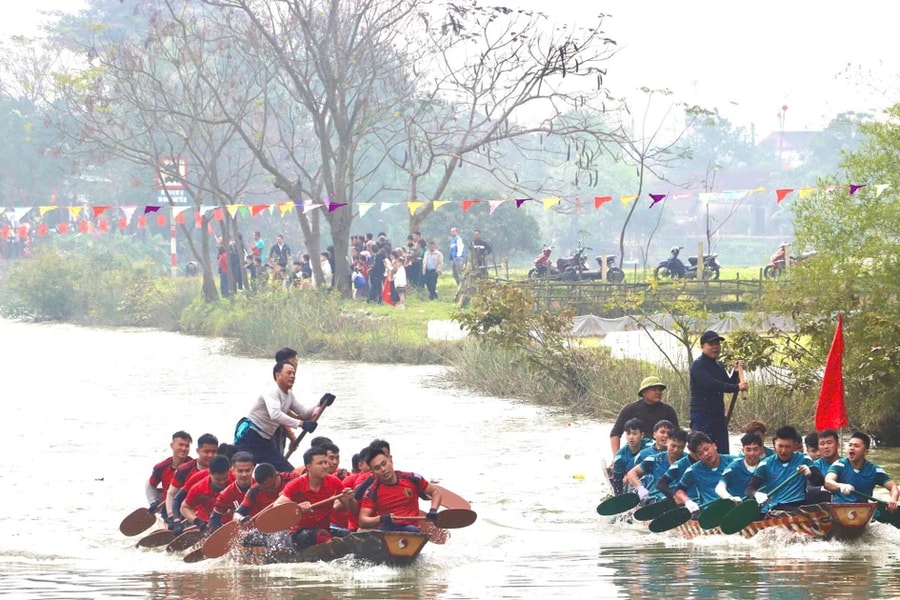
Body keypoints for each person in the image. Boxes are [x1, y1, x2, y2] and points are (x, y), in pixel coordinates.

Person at [233, 361, 320, 472]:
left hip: (265, 441)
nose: (292, 376)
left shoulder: (289, 395)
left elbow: (304, 413)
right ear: (277, 375)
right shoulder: (271, 391)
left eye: (294, 373)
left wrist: (320, 403)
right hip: (250, 437)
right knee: (242, 472)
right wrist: (301, 424)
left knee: (288, 472)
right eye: (289, 373)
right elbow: (275, 414)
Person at [270, 446, 356, 550]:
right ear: (308, 467)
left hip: (324, 529)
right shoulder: (296, 484)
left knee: (352, 537)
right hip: (299, 533)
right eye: (320, 463)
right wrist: (297, 507)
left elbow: (354, 509)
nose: (325, 466)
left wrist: (350, 499)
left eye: (325, 462)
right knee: (322, 535)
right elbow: (277, 507)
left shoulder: (334, 482)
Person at [358, 447, 442, 532]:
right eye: (377, 468)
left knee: (411, 529)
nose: (383, 469)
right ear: (372, 472)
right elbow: (362, 520)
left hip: (411, 529)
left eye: (384, 464)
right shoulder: (372, 491)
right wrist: (381, 519)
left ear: (390, 460)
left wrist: (433, 510)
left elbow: (435, 492)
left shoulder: (412, 478)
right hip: (387, 529)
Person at [689, 330, 747, 454]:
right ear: (702, 347)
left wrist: (736, 372)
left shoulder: (719, 365)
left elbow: (728, 383)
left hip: (718, 416)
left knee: (722, 452)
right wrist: (738, 387)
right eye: (711, 344)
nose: (715, 347)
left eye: (717, 344)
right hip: (702, 415)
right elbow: (711, 384)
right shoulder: (698, 365)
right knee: (702, 451)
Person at [745, 425, 824, 512]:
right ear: (775, 444)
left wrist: (810, 474)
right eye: (780, 446)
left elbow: (820, 481)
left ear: (794, 445)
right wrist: (757, 494)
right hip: (775, 508)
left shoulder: (804, 459)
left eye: (787, 447)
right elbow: (749, 489)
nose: (783, 451)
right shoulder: (765, 464)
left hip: (798, 506)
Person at [824, 431, 899, 510]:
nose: (852, 448)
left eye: (856, 446)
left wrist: (893, 499)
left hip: (863, 511)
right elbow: (827, 482)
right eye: (850, 445)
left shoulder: (874, 470)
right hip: (839, 509)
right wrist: (840, 486)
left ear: (865, 452)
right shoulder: (839, 464)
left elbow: (893, 487)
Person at [609, 376, 679, 455]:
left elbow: (677, 436)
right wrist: (616, 457)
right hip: (635, 453)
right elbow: (615, 434)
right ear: (643, 392)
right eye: (654, 389)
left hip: (661, 453)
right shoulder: (630, 409)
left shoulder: (668, 410)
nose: (658, 392)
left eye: (659, 390)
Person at [164, 433, 219, 531]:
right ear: (198, 451)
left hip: (213, 515)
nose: (210, 455)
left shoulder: (222, 471)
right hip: (189, 515)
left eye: (213, 452)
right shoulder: (184, 470)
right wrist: (172, 517)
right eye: (206, 452)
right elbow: (171, 494)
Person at [674, 431, 738, 514]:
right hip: (710, 514)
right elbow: (679, 491)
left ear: (714, 446)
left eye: (706, 449)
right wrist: (688, 502)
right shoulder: (693, 470)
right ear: (697, 457)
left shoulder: (735, 462)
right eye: (700, 453)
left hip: (735, 509)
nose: (706, 454)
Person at [626, 427, 688, 505]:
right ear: (667, 442)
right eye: (673, 446)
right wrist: (640, 488)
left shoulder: (689, 462)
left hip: (682, 499)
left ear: (685, 446)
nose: (676, 450)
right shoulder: (654, 460)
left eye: (680, 447)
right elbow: (631, 473)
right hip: (656, 500)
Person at [146, 431, 193, 520]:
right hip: (168, 508)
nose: (184, 448)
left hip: (189, 507)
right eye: (181, 445)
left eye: (187, 446)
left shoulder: (194, 466)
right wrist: (152, 502)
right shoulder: (161, 467)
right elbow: (150, 484)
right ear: (172, 446)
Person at [180, 455, 234, 533]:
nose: (222, 482)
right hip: (207, 525)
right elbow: (184, 508)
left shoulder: (237, 481)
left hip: (231, 522)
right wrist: (197, 521)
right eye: (218, 479)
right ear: (210, 473)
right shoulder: (199, 488)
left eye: (225, 478)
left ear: (229, 471)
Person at [210, 451, 256, 531]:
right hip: (241, 532)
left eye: (248, 470)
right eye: (240, 471)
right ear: (233, 470)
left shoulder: (263, 486)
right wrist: (225, 536)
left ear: (253, 469)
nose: (244, 474)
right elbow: (214, 519)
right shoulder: (225, 494)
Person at [716, 432, 765, 502]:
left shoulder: (766, 465)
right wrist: (729, 497)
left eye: (755, 449)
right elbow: (720, 487)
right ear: (743, 450)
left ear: (761, 450)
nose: (752, 453)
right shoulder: (733, 467)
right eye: (748, 450)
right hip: (739, 506)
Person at [611, 418, 646, 496]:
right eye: (628, 434)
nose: (631, 437)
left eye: (634, 434)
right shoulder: (619, 457)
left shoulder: (650, 445)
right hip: (631, 483)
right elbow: (617, 483)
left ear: (642, 435)